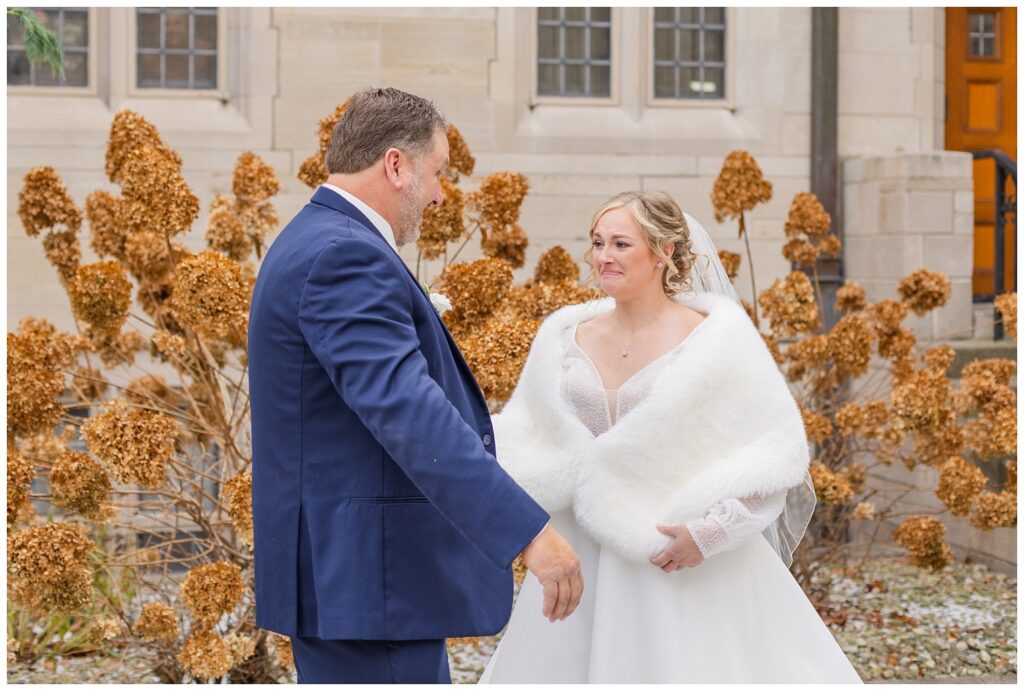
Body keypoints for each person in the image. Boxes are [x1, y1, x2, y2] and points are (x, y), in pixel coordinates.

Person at [247, 87, 583, 684]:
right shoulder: (343, 257)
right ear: (396, 165)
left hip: (354, 585)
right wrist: (527, 532)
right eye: (437, 173)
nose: (438, 194)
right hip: (371, 587)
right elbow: (410, 414)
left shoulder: (316, 238)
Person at [480, 191, 862, 683]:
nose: (604, 257)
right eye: (598, 243)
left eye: (621, 244)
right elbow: (524, 433)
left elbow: (769, 449)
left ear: (664, 253)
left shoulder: (716, 341)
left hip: (676, 559)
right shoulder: (562, 337)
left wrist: (709, 534)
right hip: (578, 556)